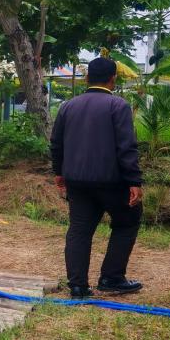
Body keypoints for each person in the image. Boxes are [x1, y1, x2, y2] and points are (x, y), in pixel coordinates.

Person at [50, 56, 144, 299]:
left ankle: (78, 287)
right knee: (127, 222)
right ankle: (111, 277)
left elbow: (56, 144)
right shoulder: (118, 106)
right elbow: (126, 147)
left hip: (77, 182)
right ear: (113, 79)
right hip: (111, 182)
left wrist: (59, 172)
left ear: (88, 78)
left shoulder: (67, 106)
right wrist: (134, 181)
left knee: (79, 230)